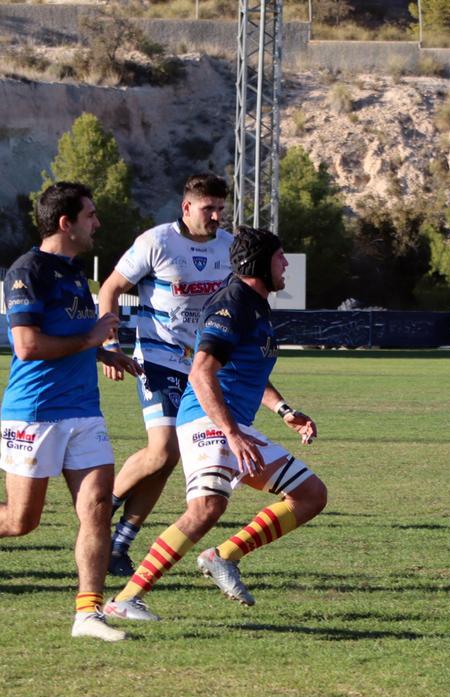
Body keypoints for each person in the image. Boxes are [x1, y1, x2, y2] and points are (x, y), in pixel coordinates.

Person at [0, 182, 143, 642]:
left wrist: (104, 355)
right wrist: (91, 341)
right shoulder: (26, 271)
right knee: (20, 520)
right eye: (90, 214)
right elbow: (27, 347)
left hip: (84, 411)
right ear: (65, 223)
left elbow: (68, 337)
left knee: (95, 511)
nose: (98, 222)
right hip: (34, 412)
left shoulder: (74, 274)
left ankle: (87, 614)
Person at [102, 226, 327, 621]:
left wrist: (285, 411)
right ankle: (125, 600)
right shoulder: (232, 304)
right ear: (260, 264)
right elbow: (202, 373)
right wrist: (232, 433)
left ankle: (223, 555)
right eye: (280, 257)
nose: (286, 264)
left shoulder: (255, 305)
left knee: (310, 494)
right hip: (208, 420)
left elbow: (249, 372)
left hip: (232, 423)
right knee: (206, 508)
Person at [97, 174, 234, 577]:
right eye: (208, 208)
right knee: (162, 450)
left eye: (220, 209)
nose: (215, 216)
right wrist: (111, 345)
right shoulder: (156, 242)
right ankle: (98, 510)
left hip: (204, 366)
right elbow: (110, 289)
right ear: (186, 207)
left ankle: (119, 545)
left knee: (170, 458)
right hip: (158, 357)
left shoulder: (229, 247)